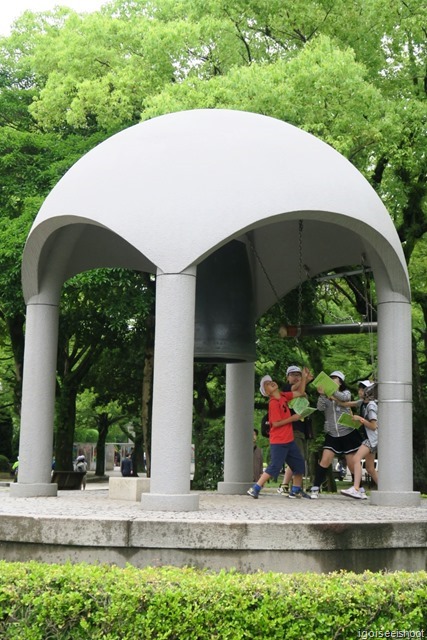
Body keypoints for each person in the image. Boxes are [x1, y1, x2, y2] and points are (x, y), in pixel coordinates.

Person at [248, 367, 313, 499]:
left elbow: (300, 392)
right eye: (267, 385)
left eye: (270, 381)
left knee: (299, 464)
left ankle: (295, 490)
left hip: (289, 440)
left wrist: (305, 378)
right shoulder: (273, 403)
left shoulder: (283, 396)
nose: (270, 383)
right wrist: (293, 418)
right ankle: (255, 488)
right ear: (267, 393)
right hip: (279, 441)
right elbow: (276, 423)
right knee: (275, 466)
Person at [309, 371, 363, 499]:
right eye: (331, 378)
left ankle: (359, 488)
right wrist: (322, 395)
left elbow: (344, 399)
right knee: (325, 460)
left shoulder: (345, 393)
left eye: (335, 379)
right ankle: (316, 487)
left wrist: (331, 392)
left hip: (347, 432)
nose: (333, 380)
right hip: (332, 433)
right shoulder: (326, 397)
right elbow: (320, 408)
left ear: (341, 382)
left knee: (351, 462)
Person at [277, 365, 314, 494]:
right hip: (292, 428)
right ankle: (296, 488)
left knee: (297, 458)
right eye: (292, 375)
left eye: (298, 375)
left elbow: (301, 390)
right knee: (298, 458)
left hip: (302, 428)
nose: (296, 377)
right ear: (287, 377)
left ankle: (286, 485)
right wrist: (305, 379)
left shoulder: (302, 391)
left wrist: (305, 380)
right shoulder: (286, 389)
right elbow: (298, 390)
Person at [340, 382, 378, 499]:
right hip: (371, 438)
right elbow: (346, 404)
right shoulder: (362, 403)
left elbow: (373, 426)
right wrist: (332, 397)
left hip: (372, 438)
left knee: (356, 458)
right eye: (359, 389)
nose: (359, 392)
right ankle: (384, 489)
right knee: (370, 468)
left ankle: (356, 489)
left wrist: (360, 419)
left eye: (362, 389)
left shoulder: (371, 406)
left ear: (368, 392)